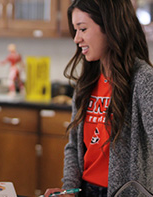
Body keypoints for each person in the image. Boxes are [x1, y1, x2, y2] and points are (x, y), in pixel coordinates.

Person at [43, 0, 153, 196]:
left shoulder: (143, 80)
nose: (76, 39)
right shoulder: (86, 83)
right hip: (84, 191)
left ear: (110, 27)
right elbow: (74, 147)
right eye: (75, 30)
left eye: (83, 29)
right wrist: (68, 190)